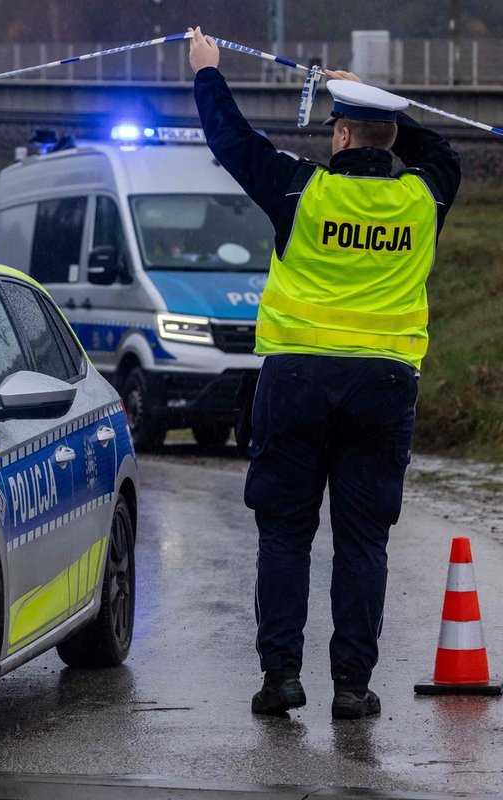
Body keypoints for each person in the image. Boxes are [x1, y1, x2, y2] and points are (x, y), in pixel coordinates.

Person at [187, 27, 461, 720]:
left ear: (340, 138)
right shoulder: (423, 200)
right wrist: (379, 105)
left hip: (298, 381)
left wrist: (207, 72)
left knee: (284, 533)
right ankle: (351, 687)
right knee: (364, 540)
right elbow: (443, 155)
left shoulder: (297, 190)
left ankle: (281, 680)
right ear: (390, 141)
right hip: (384, 386)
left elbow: (231, 141)